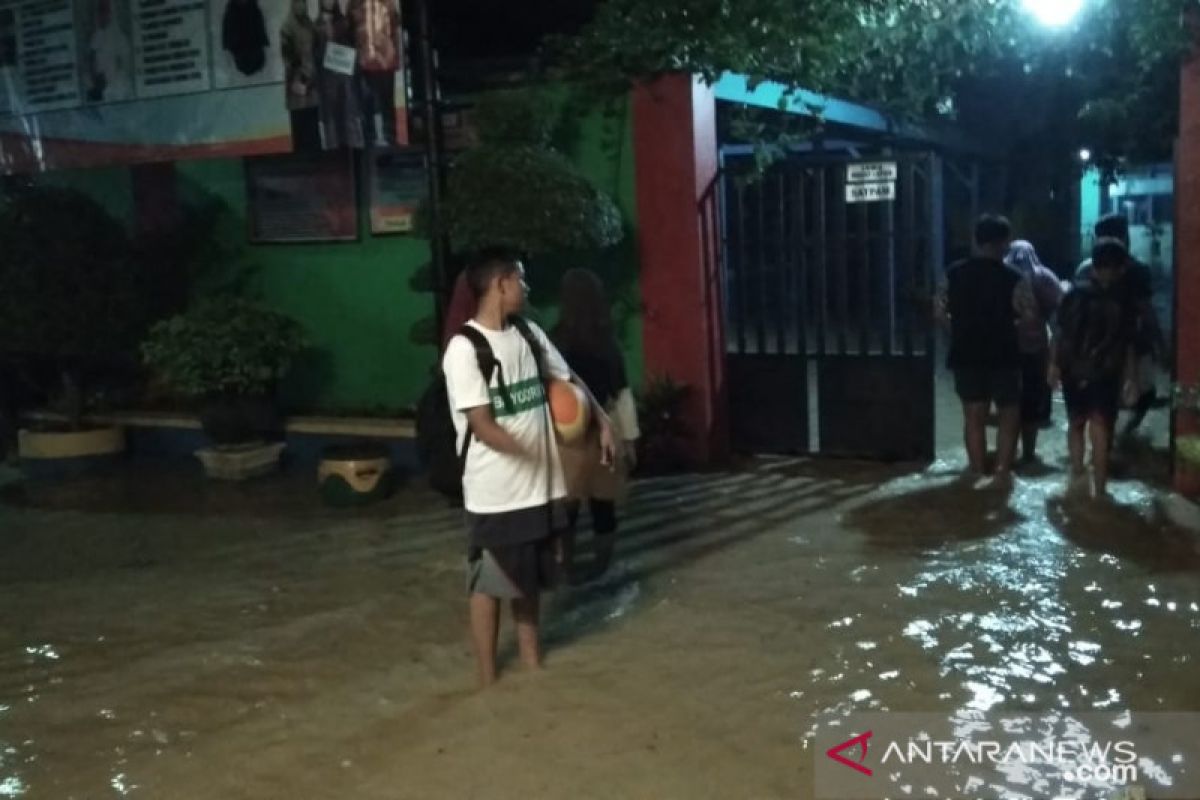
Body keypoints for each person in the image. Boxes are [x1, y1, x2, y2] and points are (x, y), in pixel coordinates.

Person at [442, 249, 616, 687]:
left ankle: (533, 665)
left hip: (541, 488)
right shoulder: (465, 350)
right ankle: (486, 679)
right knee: (489, 582)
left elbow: (568, 379)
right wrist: (530, 452)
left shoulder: (529, 333)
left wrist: (603, 419)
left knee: (531, 580)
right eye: (520, 279)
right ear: (500, 284)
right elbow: (480, 424)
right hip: (496, 493)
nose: (527, 287)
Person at [551, 268, 640, 582]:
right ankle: (601, 566)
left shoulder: (554, 340)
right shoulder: (607, 342)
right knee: (604, 506)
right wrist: (629, 441)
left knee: (567, 509)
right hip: (605, 431)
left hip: (566, 436)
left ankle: (566, 565)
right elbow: (622, 394)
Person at [944, 215, 1037, 487]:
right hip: (1004, 353)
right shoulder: (1014, 277)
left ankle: (975, 471)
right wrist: (1012, 327)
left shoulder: (953, 273)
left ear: (975, 239)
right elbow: (1030, 316)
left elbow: (939, 311)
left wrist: (958, 330)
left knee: (974, 416)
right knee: (1009, 414)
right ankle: (1001, 473)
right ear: (1005, 244)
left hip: (965, 353)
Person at [1052, 238, 1139, 499]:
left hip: (1074, 371)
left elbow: (1060, 334)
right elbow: (1129, 343)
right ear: (1120, 268)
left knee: (1076, 423)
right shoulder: (1124, 301)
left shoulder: (1072, 295)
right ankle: (1100, 490)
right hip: (1106, 373)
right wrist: (1131, 378)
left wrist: (1053, 365)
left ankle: (1077, 476)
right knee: (1101, 427)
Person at [1075, 214, 1165, 437]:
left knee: (1099, 396)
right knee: (1144, 393)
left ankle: (1101, 444)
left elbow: (1073, 311)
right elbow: (1145, 310)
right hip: (1131, 341)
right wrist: (1160, 343)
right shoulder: (1136, 269)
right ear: (1125, 236)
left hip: (1093, 345)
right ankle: (1119, 436)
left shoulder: (1085, 269)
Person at [1004, 240, 1066, 465]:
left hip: (1004, 350)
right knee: (1032, 404)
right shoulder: (1044, 276)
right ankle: (1028, 454)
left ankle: (1005, 457)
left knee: (1008, 403)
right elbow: (1062, 312)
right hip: (1036, 348)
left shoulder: (1003, 272)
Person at [313, 0, 363, 149]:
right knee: (331, 120)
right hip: (327, 79)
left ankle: (354, 148)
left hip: (345, 78)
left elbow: (353, 47)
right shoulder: (316, 26)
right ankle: (334, 151)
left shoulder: (345, 22)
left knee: (349, 115)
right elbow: (314, 54)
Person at [280, 0, 320, 151]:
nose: (301, 6)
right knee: (300, 128)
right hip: (297, 86)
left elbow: (316, 51)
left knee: (313, 127)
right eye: (297, 3)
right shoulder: (287, 27)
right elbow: (288, 58)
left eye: (303, 3)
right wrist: (301, 79)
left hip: (311, 85)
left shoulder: (310, 25)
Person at [86, 0, 132, 102]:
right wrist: (96, 80)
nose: (101, 15)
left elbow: (124, 65)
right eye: (100, 11)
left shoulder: (120, 38)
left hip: (116, 90)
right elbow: (90, 60)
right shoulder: (95, 36)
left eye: (105, 11)